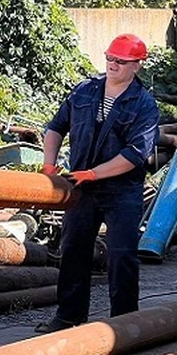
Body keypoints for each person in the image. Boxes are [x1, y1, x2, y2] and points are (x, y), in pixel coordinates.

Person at [35, 34, 160, 333]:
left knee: (122, 255)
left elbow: (134, 154)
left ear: (137, 66)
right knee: (74, 250)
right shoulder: (84, 92)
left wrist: (94, 173)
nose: (113, 65)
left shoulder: (144, 105)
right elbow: (55, 127)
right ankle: (69, 316)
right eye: (110, 58)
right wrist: (49, 164)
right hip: (82, 188)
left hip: (122, 191)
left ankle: (124, 323)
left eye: (121, 61)